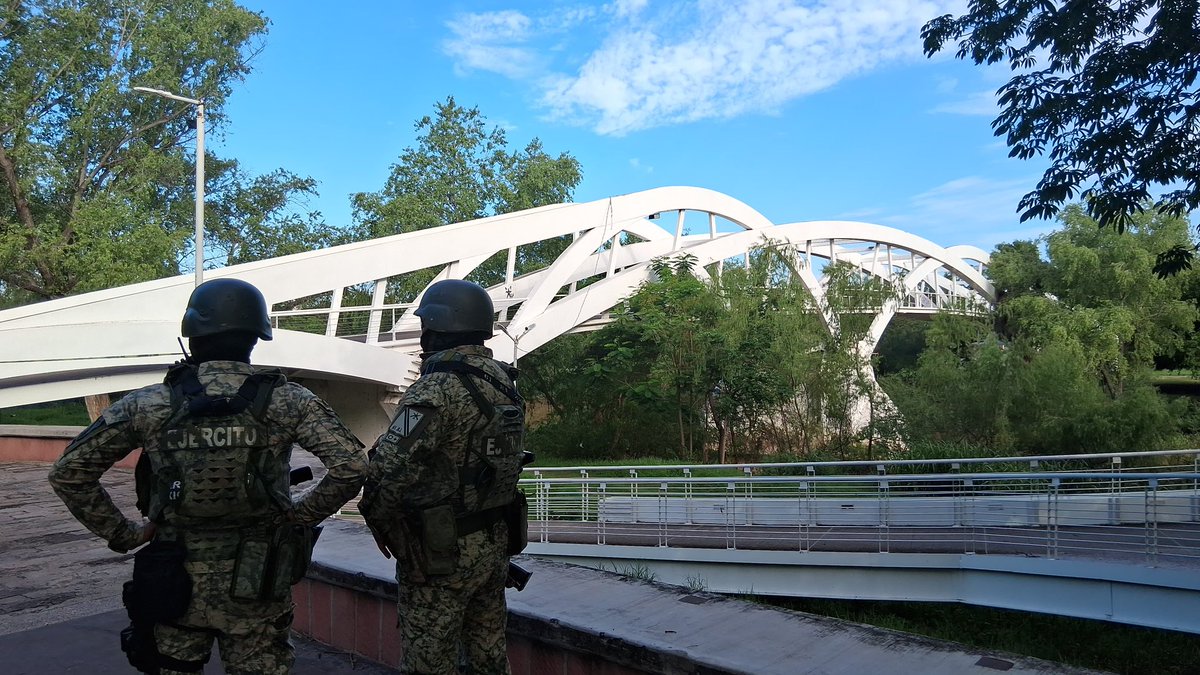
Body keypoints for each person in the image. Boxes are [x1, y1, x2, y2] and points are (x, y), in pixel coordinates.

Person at [48, 277, 368, 675]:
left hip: (174, 578)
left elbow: (69, 472)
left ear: (192, 335)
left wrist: (125, 533)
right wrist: (300, 514)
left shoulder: (150, 403)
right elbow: (352, 467)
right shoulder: (289, 400)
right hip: (258, 577)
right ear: (255, 337)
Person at [360, 279, 527, 675]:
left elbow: (390, 468)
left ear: (435, 328)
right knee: (488, 654)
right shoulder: (503, 381)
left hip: (440, 553)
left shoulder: (436, 388)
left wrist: (381, 519)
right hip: (493, 543)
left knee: (429, 659)